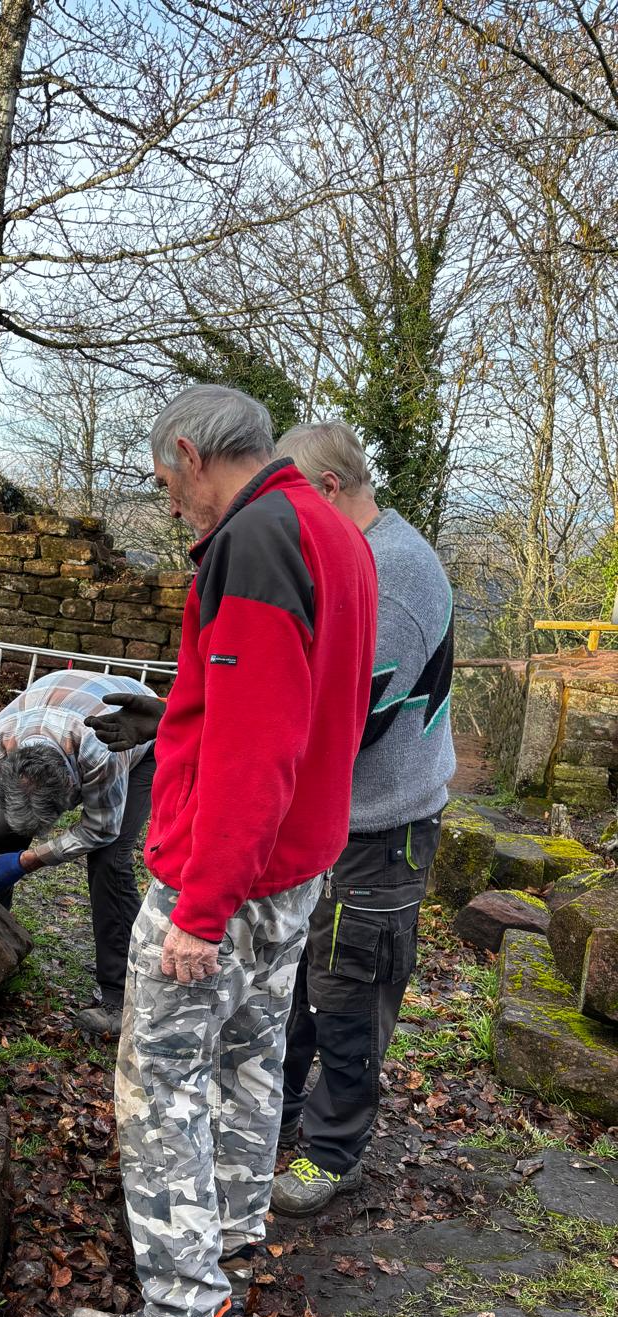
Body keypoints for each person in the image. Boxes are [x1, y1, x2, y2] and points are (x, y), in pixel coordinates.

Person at [59, 386, 377, 1317]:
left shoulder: (256, 539)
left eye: (167, 483)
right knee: (248, 1061)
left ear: (194, 455)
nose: (170, 504)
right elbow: (306, 707)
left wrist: (200, 909)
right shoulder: (335, 530)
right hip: (296, 865)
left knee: (158, 1083)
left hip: (228, 875)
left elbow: (254, 744)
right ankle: (228, 1237)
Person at [268, 422, 456, 1216]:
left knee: (348, 992)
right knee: (296, 981)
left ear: (329, 489)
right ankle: (277, 1115)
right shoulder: (355, 556)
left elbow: (355, 716)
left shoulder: (397, 573)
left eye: (293, 503)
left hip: (381, 830)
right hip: (336, 820)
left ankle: (332, 1151)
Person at [0, 668, 160, 1034]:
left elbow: (101, 828)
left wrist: (29, 860)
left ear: (71, 789)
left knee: (109, 862)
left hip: (136, 733)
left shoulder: (101, 750)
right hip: (50, 712)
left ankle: (120, 997)